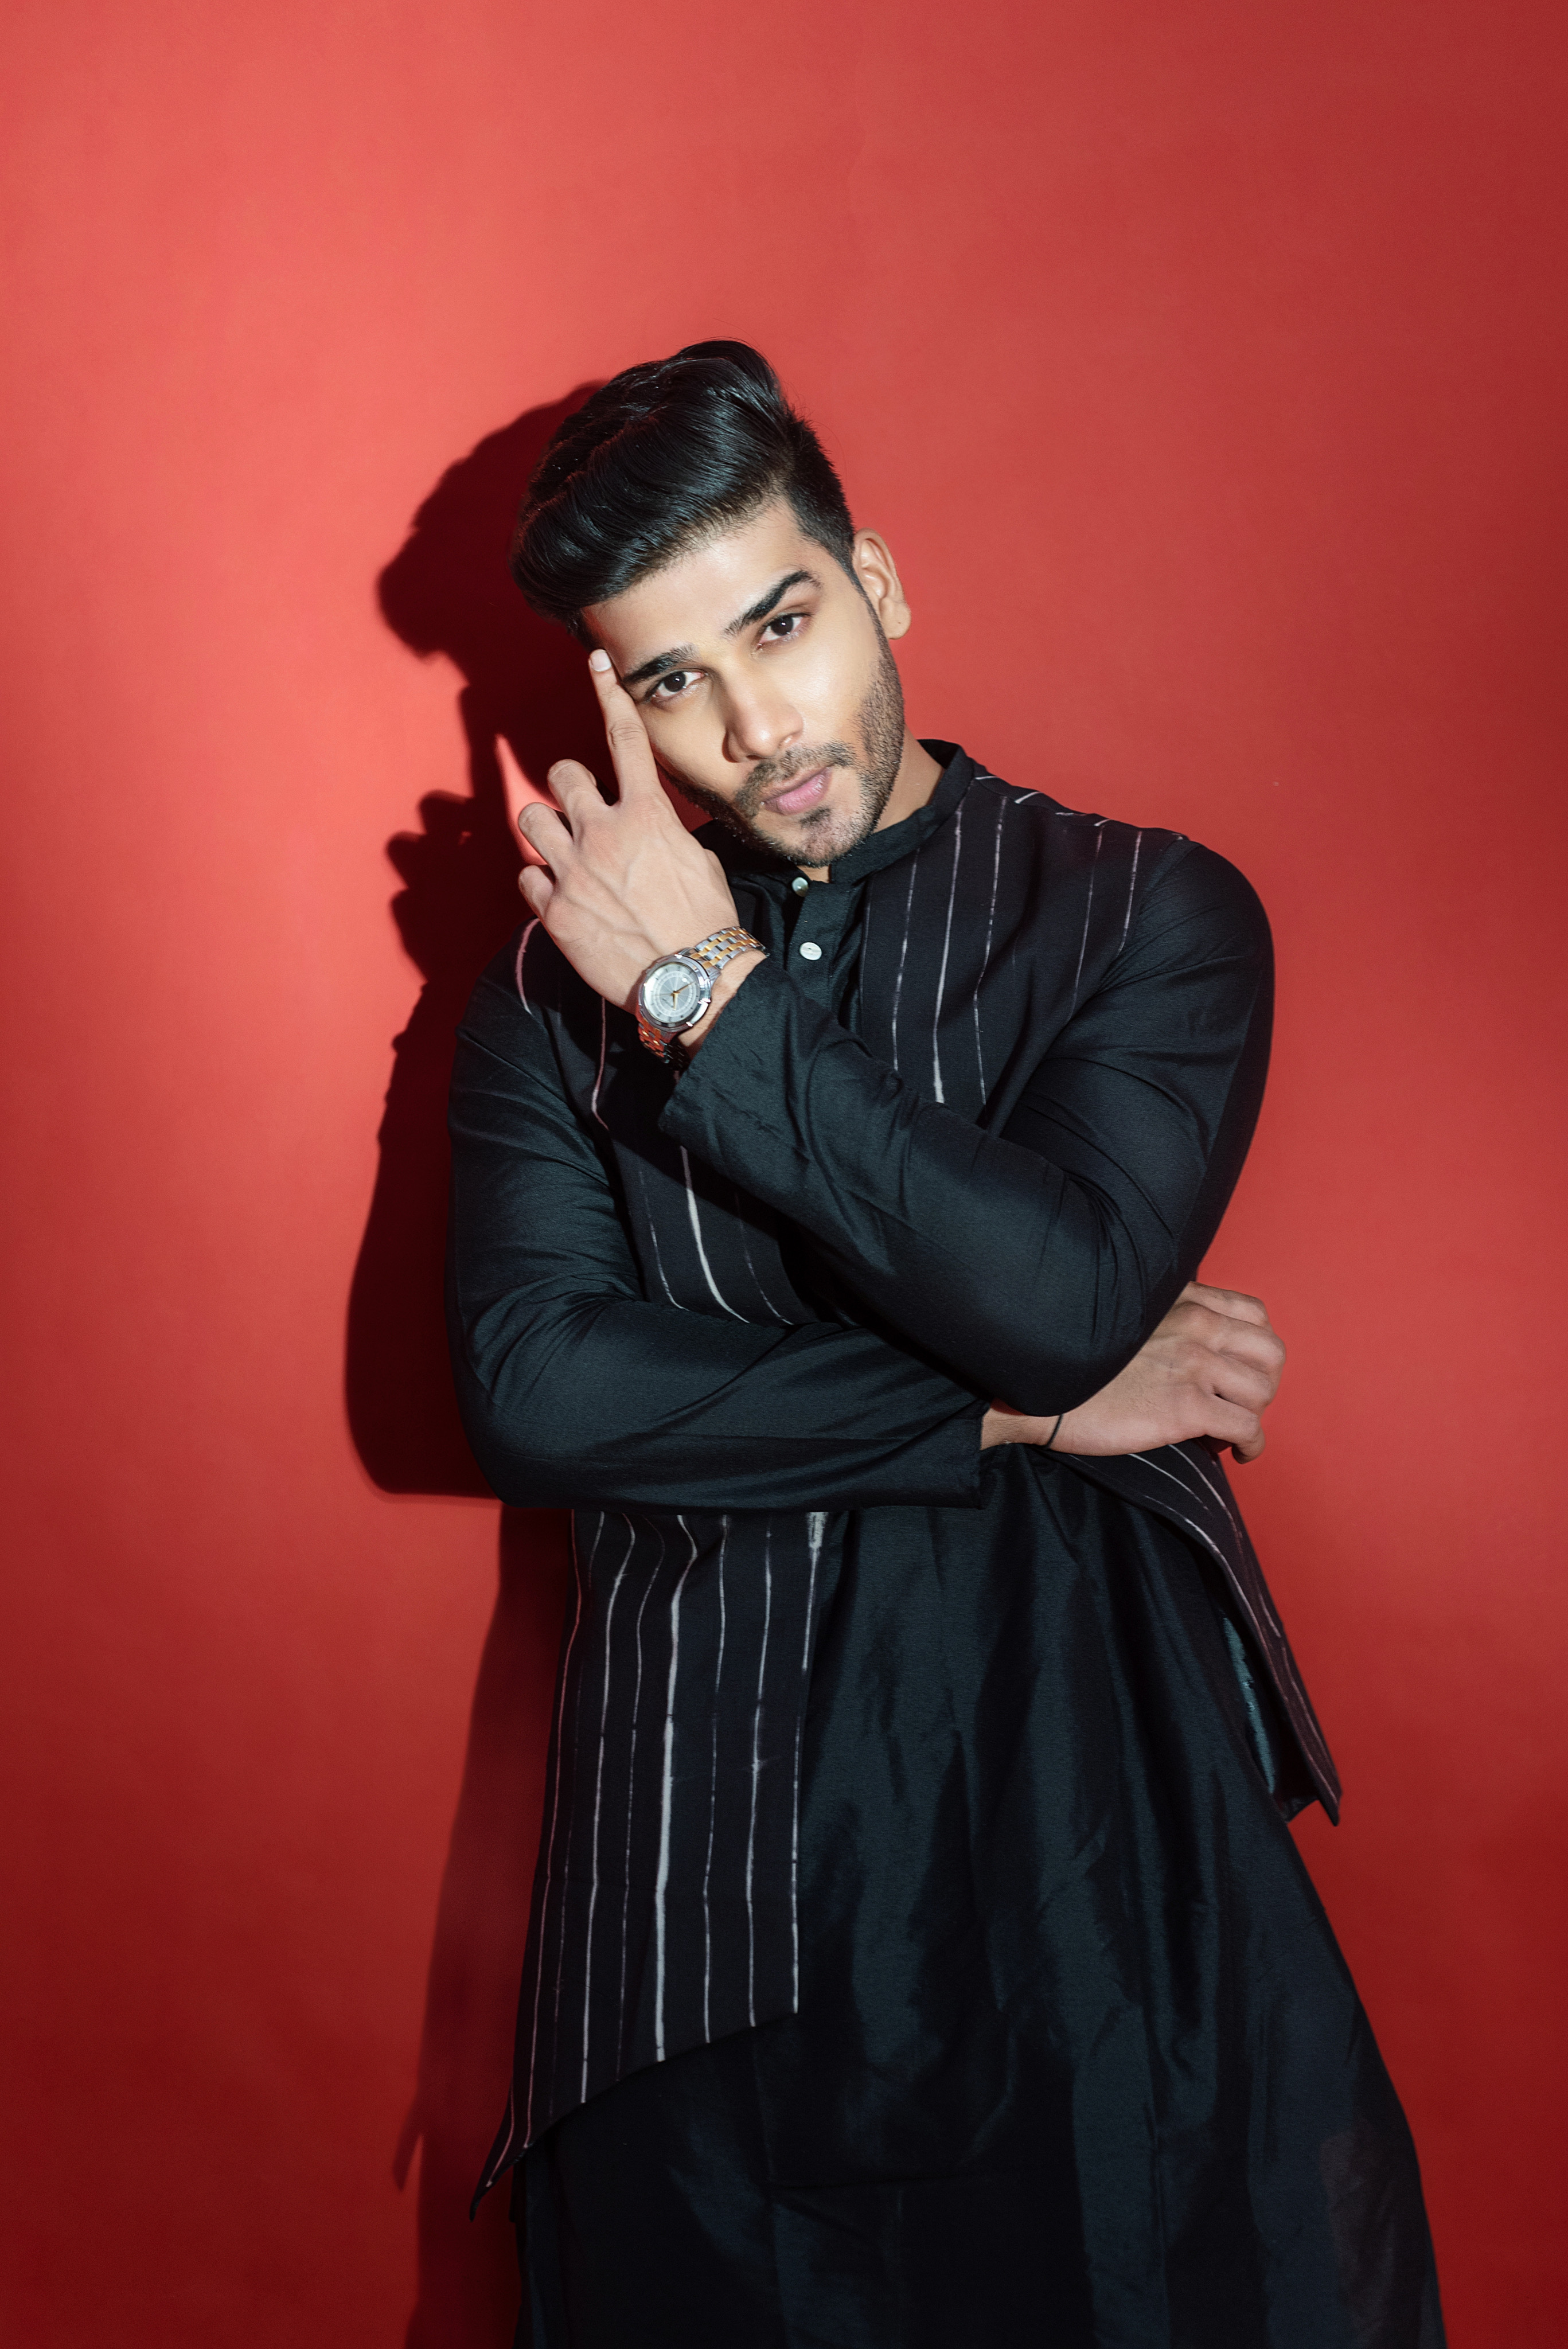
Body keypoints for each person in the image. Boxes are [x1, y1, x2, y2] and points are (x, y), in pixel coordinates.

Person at [445, 342, 1444, 2346]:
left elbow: (1058, 1297)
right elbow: (539, 1394)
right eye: (673, 681)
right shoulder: (546, 1000)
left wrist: (703, 991)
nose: (756, 727)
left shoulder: (1147, 916)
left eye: (781, 625)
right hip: (700, 1884)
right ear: (618, 708)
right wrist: (1011, 1416)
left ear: (878, 582)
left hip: (1087, 1833)